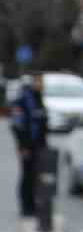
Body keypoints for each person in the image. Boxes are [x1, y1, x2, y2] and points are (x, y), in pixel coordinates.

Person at [12, 71, 46, 219]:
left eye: (42, 82)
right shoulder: (22, 101)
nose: (40, 84)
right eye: (38, 81)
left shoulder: (39, 98)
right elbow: (18, 126)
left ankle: (34, 205)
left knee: (36, 176)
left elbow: (43, 123)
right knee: (27, 176)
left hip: (39, 145)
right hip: (27, 146)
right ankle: (26, 207)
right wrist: (23, 146)